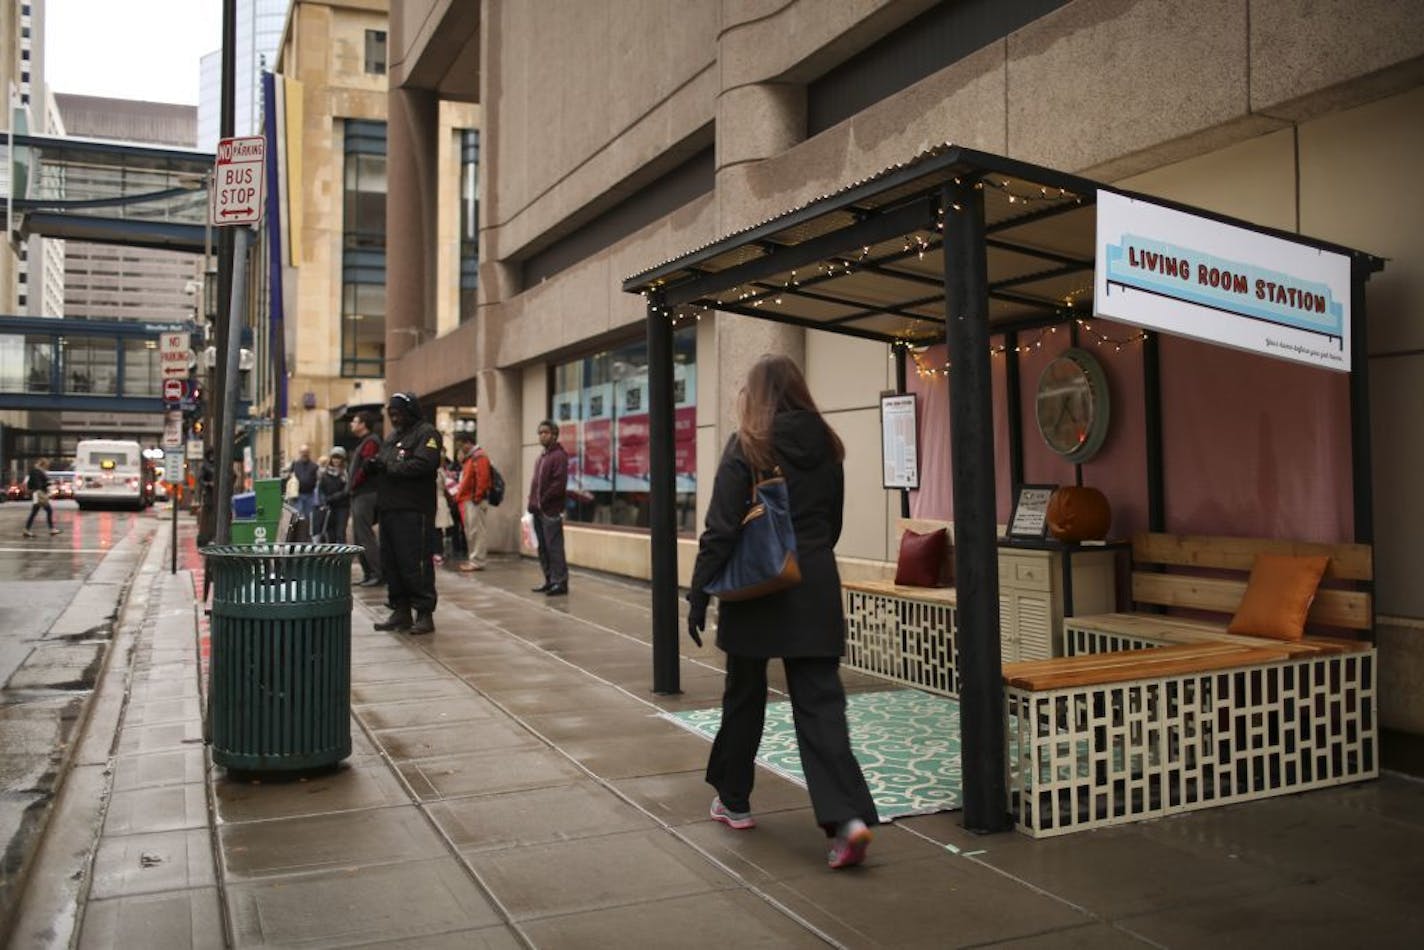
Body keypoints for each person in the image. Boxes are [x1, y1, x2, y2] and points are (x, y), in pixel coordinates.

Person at [686, 354, 879, 870]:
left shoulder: (748, 444)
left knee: (743, 694)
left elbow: (722, 527)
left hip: (757, 585)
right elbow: (832, 524)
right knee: (821, 705)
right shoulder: (828, 445)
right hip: (813, 582)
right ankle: (848, 822)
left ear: (758, 394)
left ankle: (734, 799)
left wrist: (700, 592)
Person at [370, 392, 443, 635]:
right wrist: (375, 465)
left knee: (415, 563)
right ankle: (400, 610)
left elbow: (424, 464)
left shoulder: (427, 434)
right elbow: (384, 461)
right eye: (392, 414)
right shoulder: (393, 437)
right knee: (393, 563)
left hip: (414, 510)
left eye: (399, 413)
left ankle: (424, 613)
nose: (395, 418)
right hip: (389, 508)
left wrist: (389, 466)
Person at [527, 419, 569, 595]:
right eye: (540, 432)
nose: (542, 435)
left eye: (546, 432)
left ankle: (560, 582)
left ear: (554, 435)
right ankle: (549, 579)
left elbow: (558, 484)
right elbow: (536, 484)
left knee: (554, 547)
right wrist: (531, 503)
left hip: (550, 510)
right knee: (542, 547)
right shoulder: (542, 457)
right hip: (537, 510)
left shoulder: (559, 456)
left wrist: (542, 501)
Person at [348, 411, 383, 586]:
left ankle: (377, 573)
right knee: (358, 537)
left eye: (355, 421)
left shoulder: (371, 442)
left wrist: (354, 483)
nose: (351, 424)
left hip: (366, 493)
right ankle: (368, 573)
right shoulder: (365, 442)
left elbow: (367, 466)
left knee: (365, 535)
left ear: (363, 424)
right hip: (360, 493)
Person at [454, 431, 491, 572]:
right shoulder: (472, 457)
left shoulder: (478, 457)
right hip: (469, 499)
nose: (460, 448)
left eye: (461, 445)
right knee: (472, 531)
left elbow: (483, 478)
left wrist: (477, 496)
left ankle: (477, 561)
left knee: (476, 531)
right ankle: (474, 559)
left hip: (474, 500)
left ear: (468, 443)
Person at [315, 447, 350, 544]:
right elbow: (320, 490)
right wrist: (323, 502)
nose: (336, 460)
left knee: (340, 533)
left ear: (342, 459)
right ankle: (333, 557)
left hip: (342, 507)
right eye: (334, 458)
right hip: (329, 507)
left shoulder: (346, 474)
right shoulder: (324, 474)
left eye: (338, 458)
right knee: (330, 533)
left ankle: (343, 557)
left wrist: (332, 497)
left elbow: (346, 491)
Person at [22, 458, 62, 538]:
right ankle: (52, 529)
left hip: (37, 493)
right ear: (43, 465)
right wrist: (48, 483)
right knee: (49, 510)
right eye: (46, 466)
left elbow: (35, 483)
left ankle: (27, 529)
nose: (47, 467)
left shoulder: (36, 471)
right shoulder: (37, 471)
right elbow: (39, 484)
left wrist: (48, 483)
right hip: (39, 493)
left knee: (34, 512)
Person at [286, 444, 320, 524]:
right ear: (299, 453)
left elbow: (318, 480)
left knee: (309, 517)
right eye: (303, 452)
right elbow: (289, 477)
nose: (304, 454)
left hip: (310, 495)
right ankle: (299, 535)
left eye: (306, 452)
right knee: (298, 517)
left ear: (309, 453)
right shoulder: (295, 464)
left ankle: (307, 535)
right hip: (297, 496)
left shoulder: (314, 466)